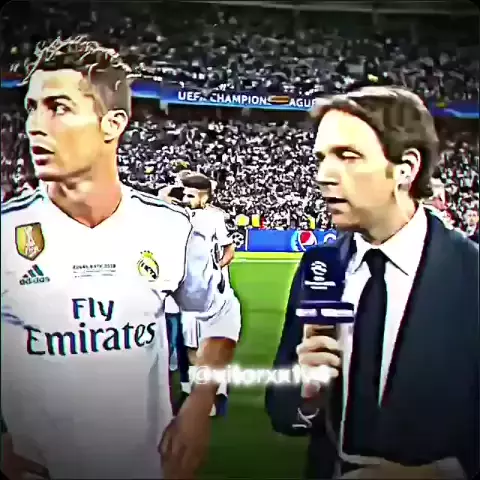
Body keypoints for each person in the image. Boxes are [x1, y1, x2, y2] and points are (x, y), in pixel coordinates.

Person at [0, 36, 241, 480]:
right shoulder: (6, 233)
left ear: (112, 124)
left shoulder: (169, 227)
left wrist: (198, 404)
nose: (34, 125)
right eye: (31, 108)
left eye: (58, 107)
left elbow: (220, 311)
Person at [265, 86, 479, 479]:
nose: (323, 176)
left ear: (405, 168)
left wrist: (443, 474)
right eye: (321, 158)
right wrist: (306, 396)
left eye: (348, 156)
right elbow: (282, 410)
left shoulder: (471, 275)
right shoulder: (320, 266)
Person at [161, 172, 237, 417]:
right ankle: (200, 397)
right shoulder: (177, 214)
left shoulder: (212, 218)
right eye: (184, 193)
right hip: (185, 294)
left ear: (204, 197)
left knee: (207, 349)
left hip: (208, 294)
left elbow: (229, 250)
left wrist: (217, 272)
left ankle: (211, 397)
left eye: (191, 195)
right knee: (191, 349)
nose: (185, 198)